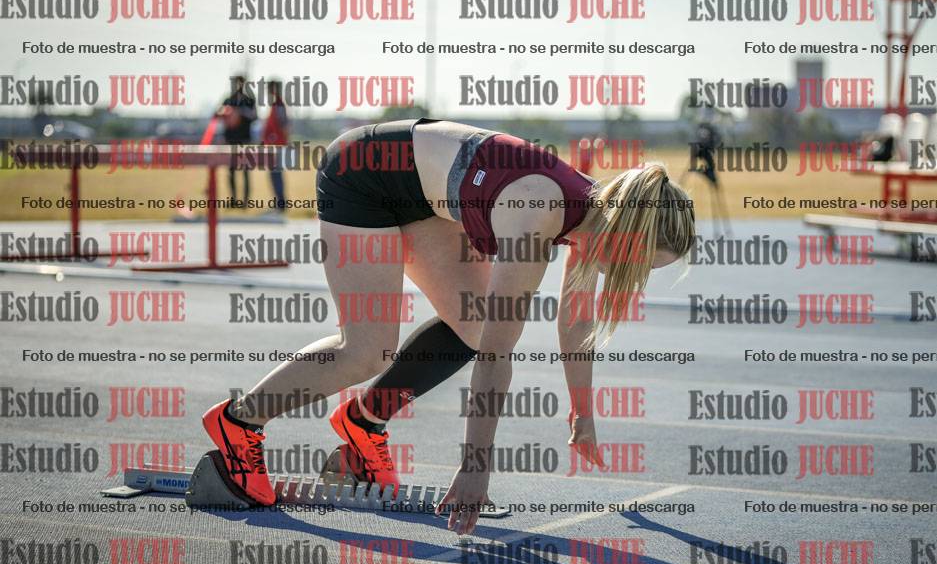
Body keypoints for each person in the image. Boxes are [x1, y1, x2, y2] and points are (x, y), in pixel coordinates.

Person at [201, 118, 695, 535]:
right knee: (367, 351)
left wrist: (582, 413)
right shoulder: (540, 210)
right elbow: (498, 356)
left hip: (421, 195)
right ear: (627, 233)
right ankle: (239, 421)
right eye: (644, 263)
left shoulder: (593, 215)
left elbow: (576, 320)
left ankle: (363, 422)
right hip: (363, 173)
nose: (638, 276)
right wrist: (475, 468)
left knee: (473, 326)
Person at [217, 74, 258, 208]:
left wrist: (240, 112)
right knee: (231, 172)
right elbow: (218, 115)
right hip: (231, 141)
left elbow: (255, 117)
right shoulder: (228, 100)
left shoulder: (249, 100)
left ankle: (245, 201)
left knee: (245, 172)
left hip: (245, 141)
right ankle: (233, 200)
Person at [260, 80, 289, 214]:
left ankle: (281, 205)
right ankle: (279, 203)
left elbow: (284, 126)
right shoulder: (275, 104)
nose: (267, 91)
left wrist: (280, 142)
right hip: (275, 146)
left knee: (276, 175)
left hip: (277, 146)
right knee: (274, 175)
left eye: (269, 88)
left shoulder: (278, 104)